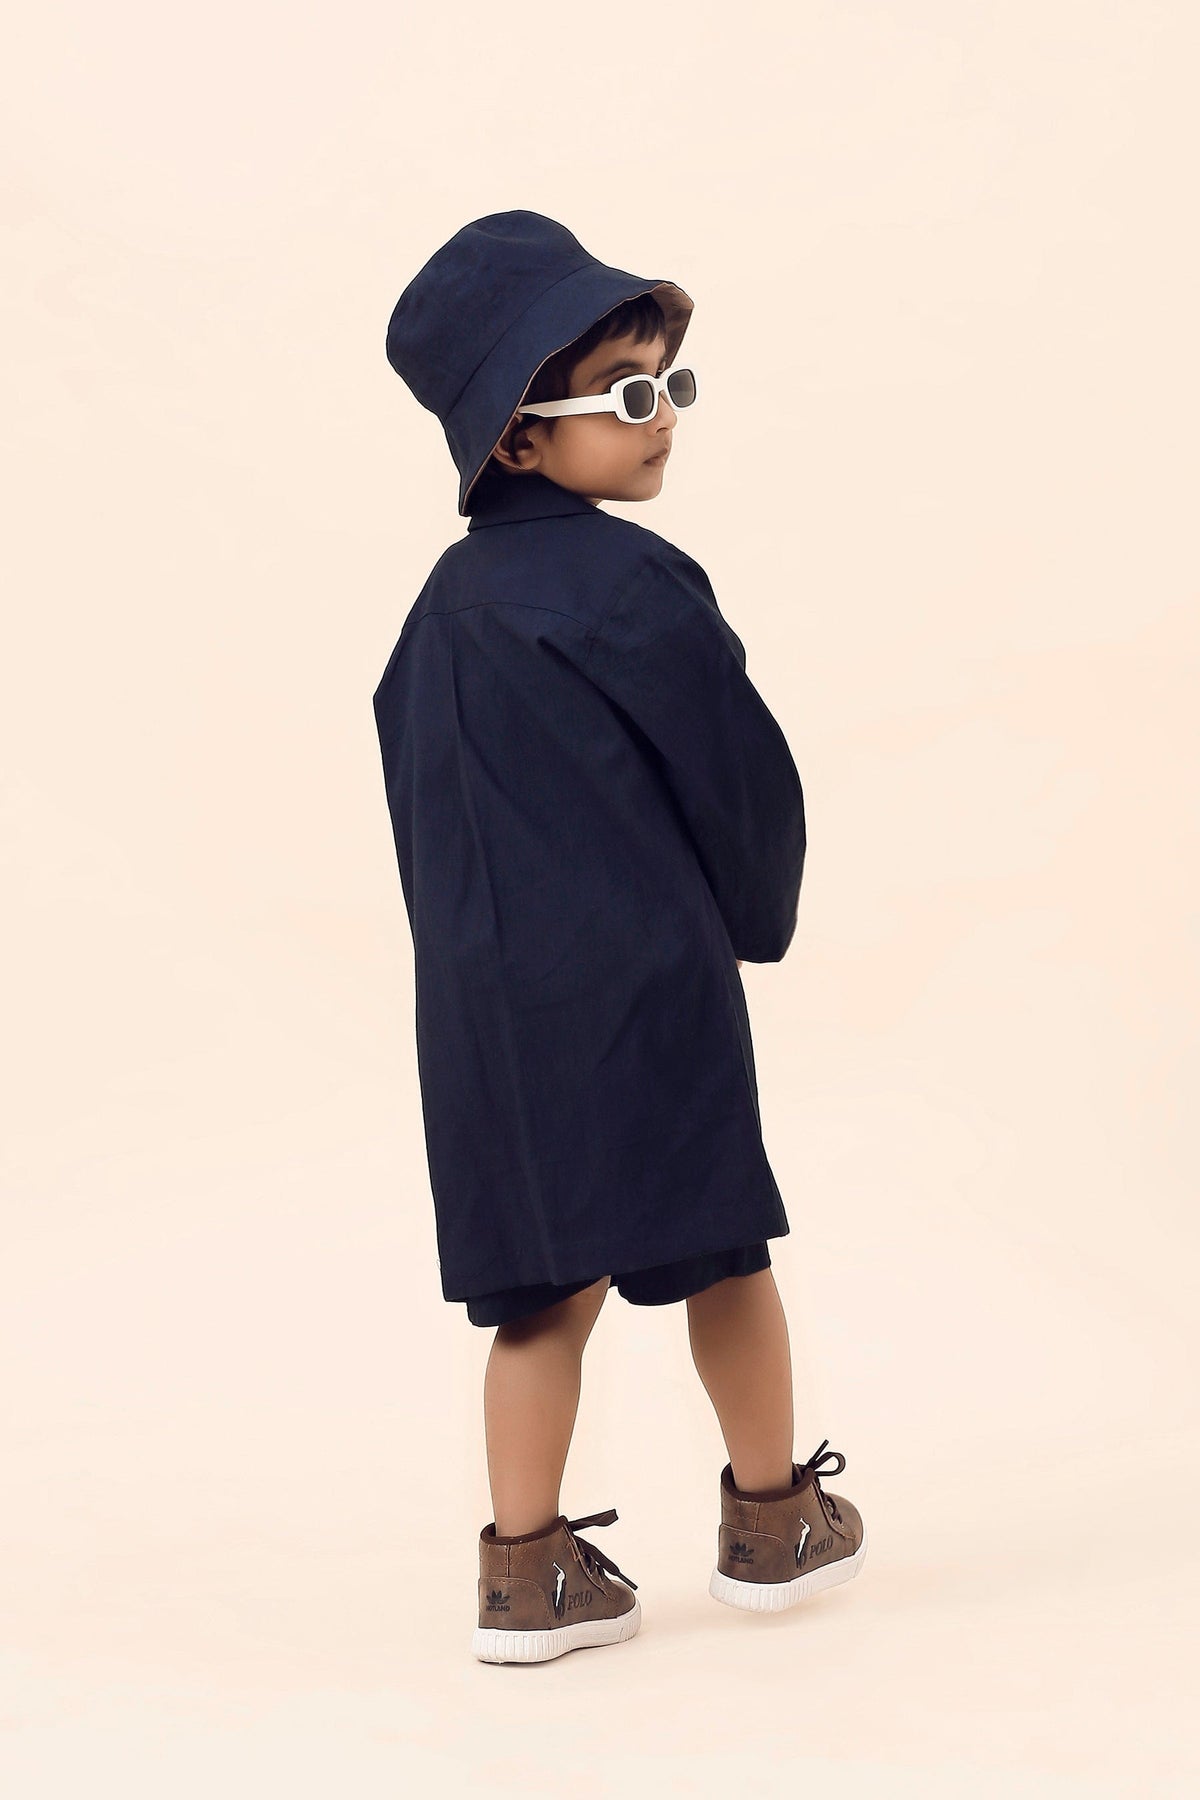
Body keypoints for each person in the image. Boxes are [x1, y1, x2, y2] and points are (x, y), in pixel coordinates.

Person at [374, 210, 867, 1664]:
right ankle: (774, 1523)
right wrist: (754, 914)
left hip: (488, 1013)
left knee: (540, 1294)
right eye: (629, 392)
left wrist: (468, 975)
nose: (662, 419)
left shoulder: (430, 623)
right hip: (644, 987)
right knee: (723, 1252)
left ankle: (524, 1579)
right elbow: (738, 775)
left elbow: (424, 825)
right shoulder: (635, 585)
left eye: (670, 386)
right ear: (520, 439)